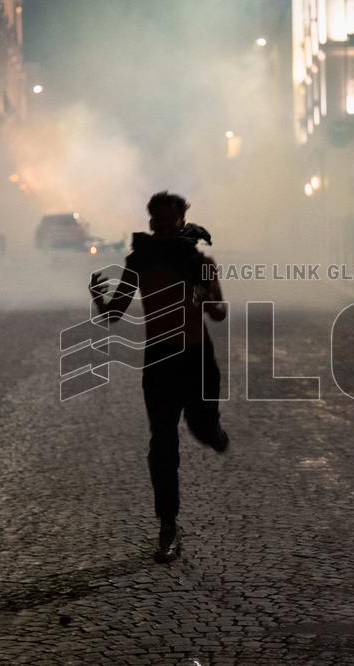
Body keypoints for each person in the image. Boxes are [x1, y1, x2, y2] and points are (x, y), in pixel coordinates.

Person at [89, 191, 229, 563]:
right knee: (163, 444)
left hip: (197, 359)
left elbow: (219, 313)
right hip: (160, 360)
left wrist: (206, 292)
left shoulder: (201, 263)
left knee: (202, 430)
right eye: (156, 219)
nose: (162, 225)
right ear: (151, 221)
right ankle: (168, 527)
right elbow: (113, 315)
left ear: (182, 220)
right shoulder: (140, 262)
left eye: (169, 219)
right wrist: (98, 297)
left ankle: (212, 430)